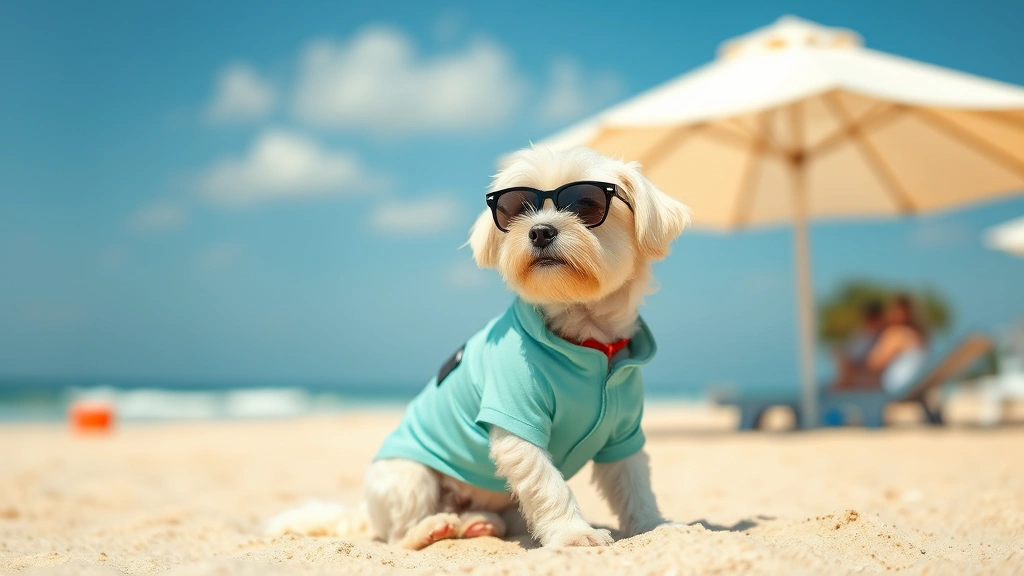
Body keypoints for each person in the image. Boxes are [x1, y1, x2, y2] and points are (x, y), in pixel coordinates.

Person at [832, 294, 928, 392]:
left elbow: (874, 363)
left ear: (901, 313)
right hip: (910, 384)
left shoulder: (896, 333)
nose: (887, 313)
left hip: (895, 386)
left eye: (891, 309)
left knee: (846, 379)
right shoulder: (915, 336)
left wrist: (849, 364)